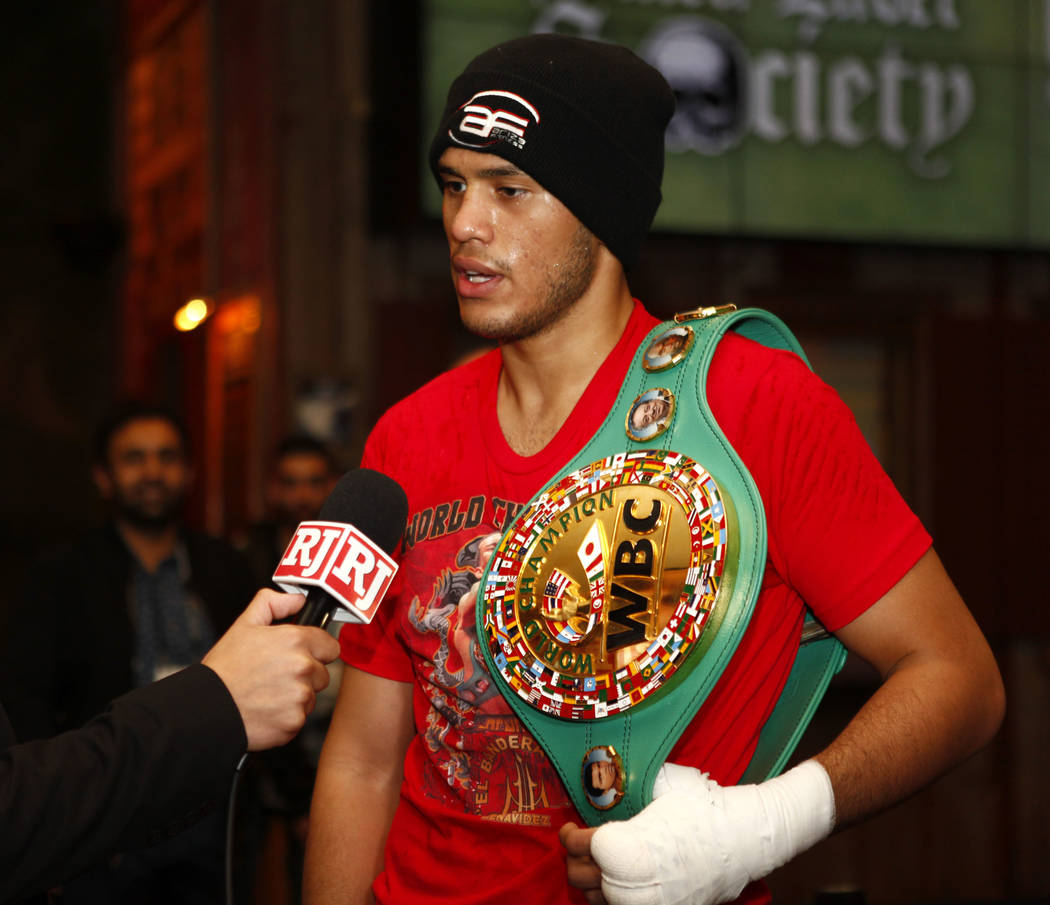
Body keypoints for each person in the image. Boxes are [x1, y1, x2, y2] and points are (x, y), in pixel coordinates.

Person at [302, 34, 1004, 905]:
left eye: (509, 189)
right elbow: (366, 757)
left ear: (601, 209)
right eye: (454, 184)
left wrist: (760, 826)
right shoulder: (407, 436)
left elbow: (961, 681)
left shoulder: (752, 406)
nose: (464, 224)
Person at [0, 401, 258, 903]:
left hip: (211, 812)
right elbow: (26, 697)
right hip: (104, 819)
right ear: (104, 476)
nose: (153, 471)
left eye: (167, 456)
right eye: (134, 458)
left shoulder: (225, 566)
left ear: (189, 472)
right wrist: (55, 831)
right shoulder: (61, 575)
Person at [1, 588, 341, 904]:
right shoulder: (63, 578)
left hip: (201, 807)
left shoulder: (216, 566)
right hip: (103, 829)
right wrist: (217, 700)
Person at [238, 434, 340, 589]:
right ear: (273, 488)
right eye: (291, 483)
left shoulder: (345, 559)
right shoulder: (248, 555)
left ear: (332, 486)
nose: (303, 496)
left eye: (315, 483)